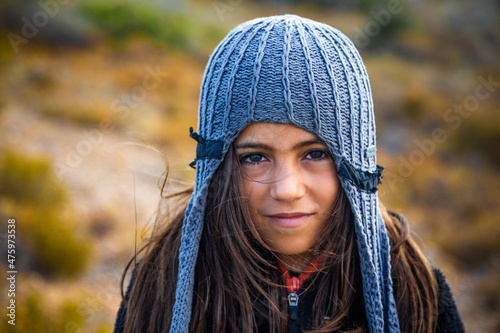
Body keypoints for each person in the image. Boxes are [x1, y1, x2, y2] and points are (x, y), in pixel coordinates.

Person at [113, 14, 465, 333]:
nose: (287, 189)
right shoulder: (163, 284)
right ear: (216, 165)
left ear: (357, 162)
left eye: (315, 154)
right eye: (254, 158)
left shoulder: (412, 288)